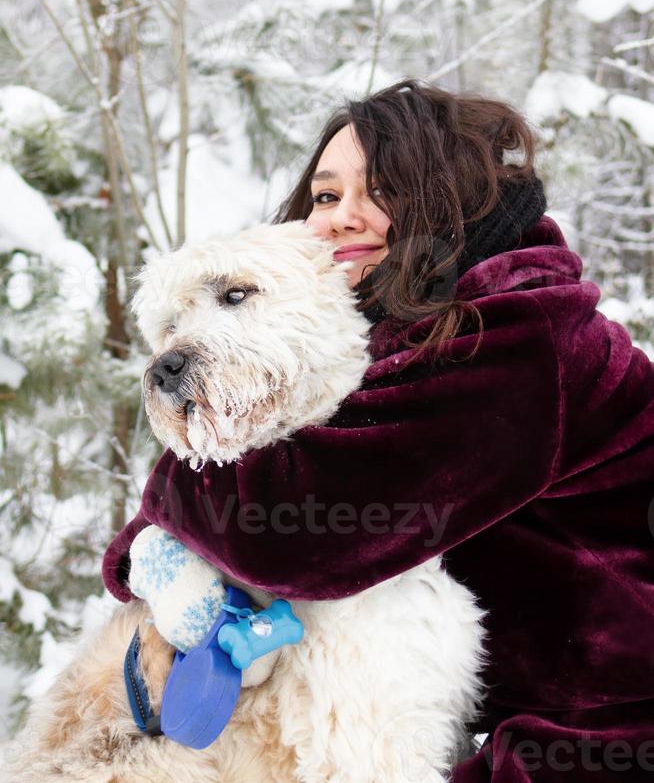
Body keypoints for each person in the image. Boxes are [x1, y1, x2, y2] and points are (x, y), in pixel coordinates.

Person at [103, 79, 654, 781]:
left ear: (451, 197)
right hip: (518, 705)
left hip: (608, 719)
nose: (341, 219)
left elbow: (296, 531)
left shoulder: (518, 335)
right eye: (326, 196)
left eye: (383, 190)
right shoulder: (409, 325)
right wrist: (154, 548)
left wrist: (160, 518)